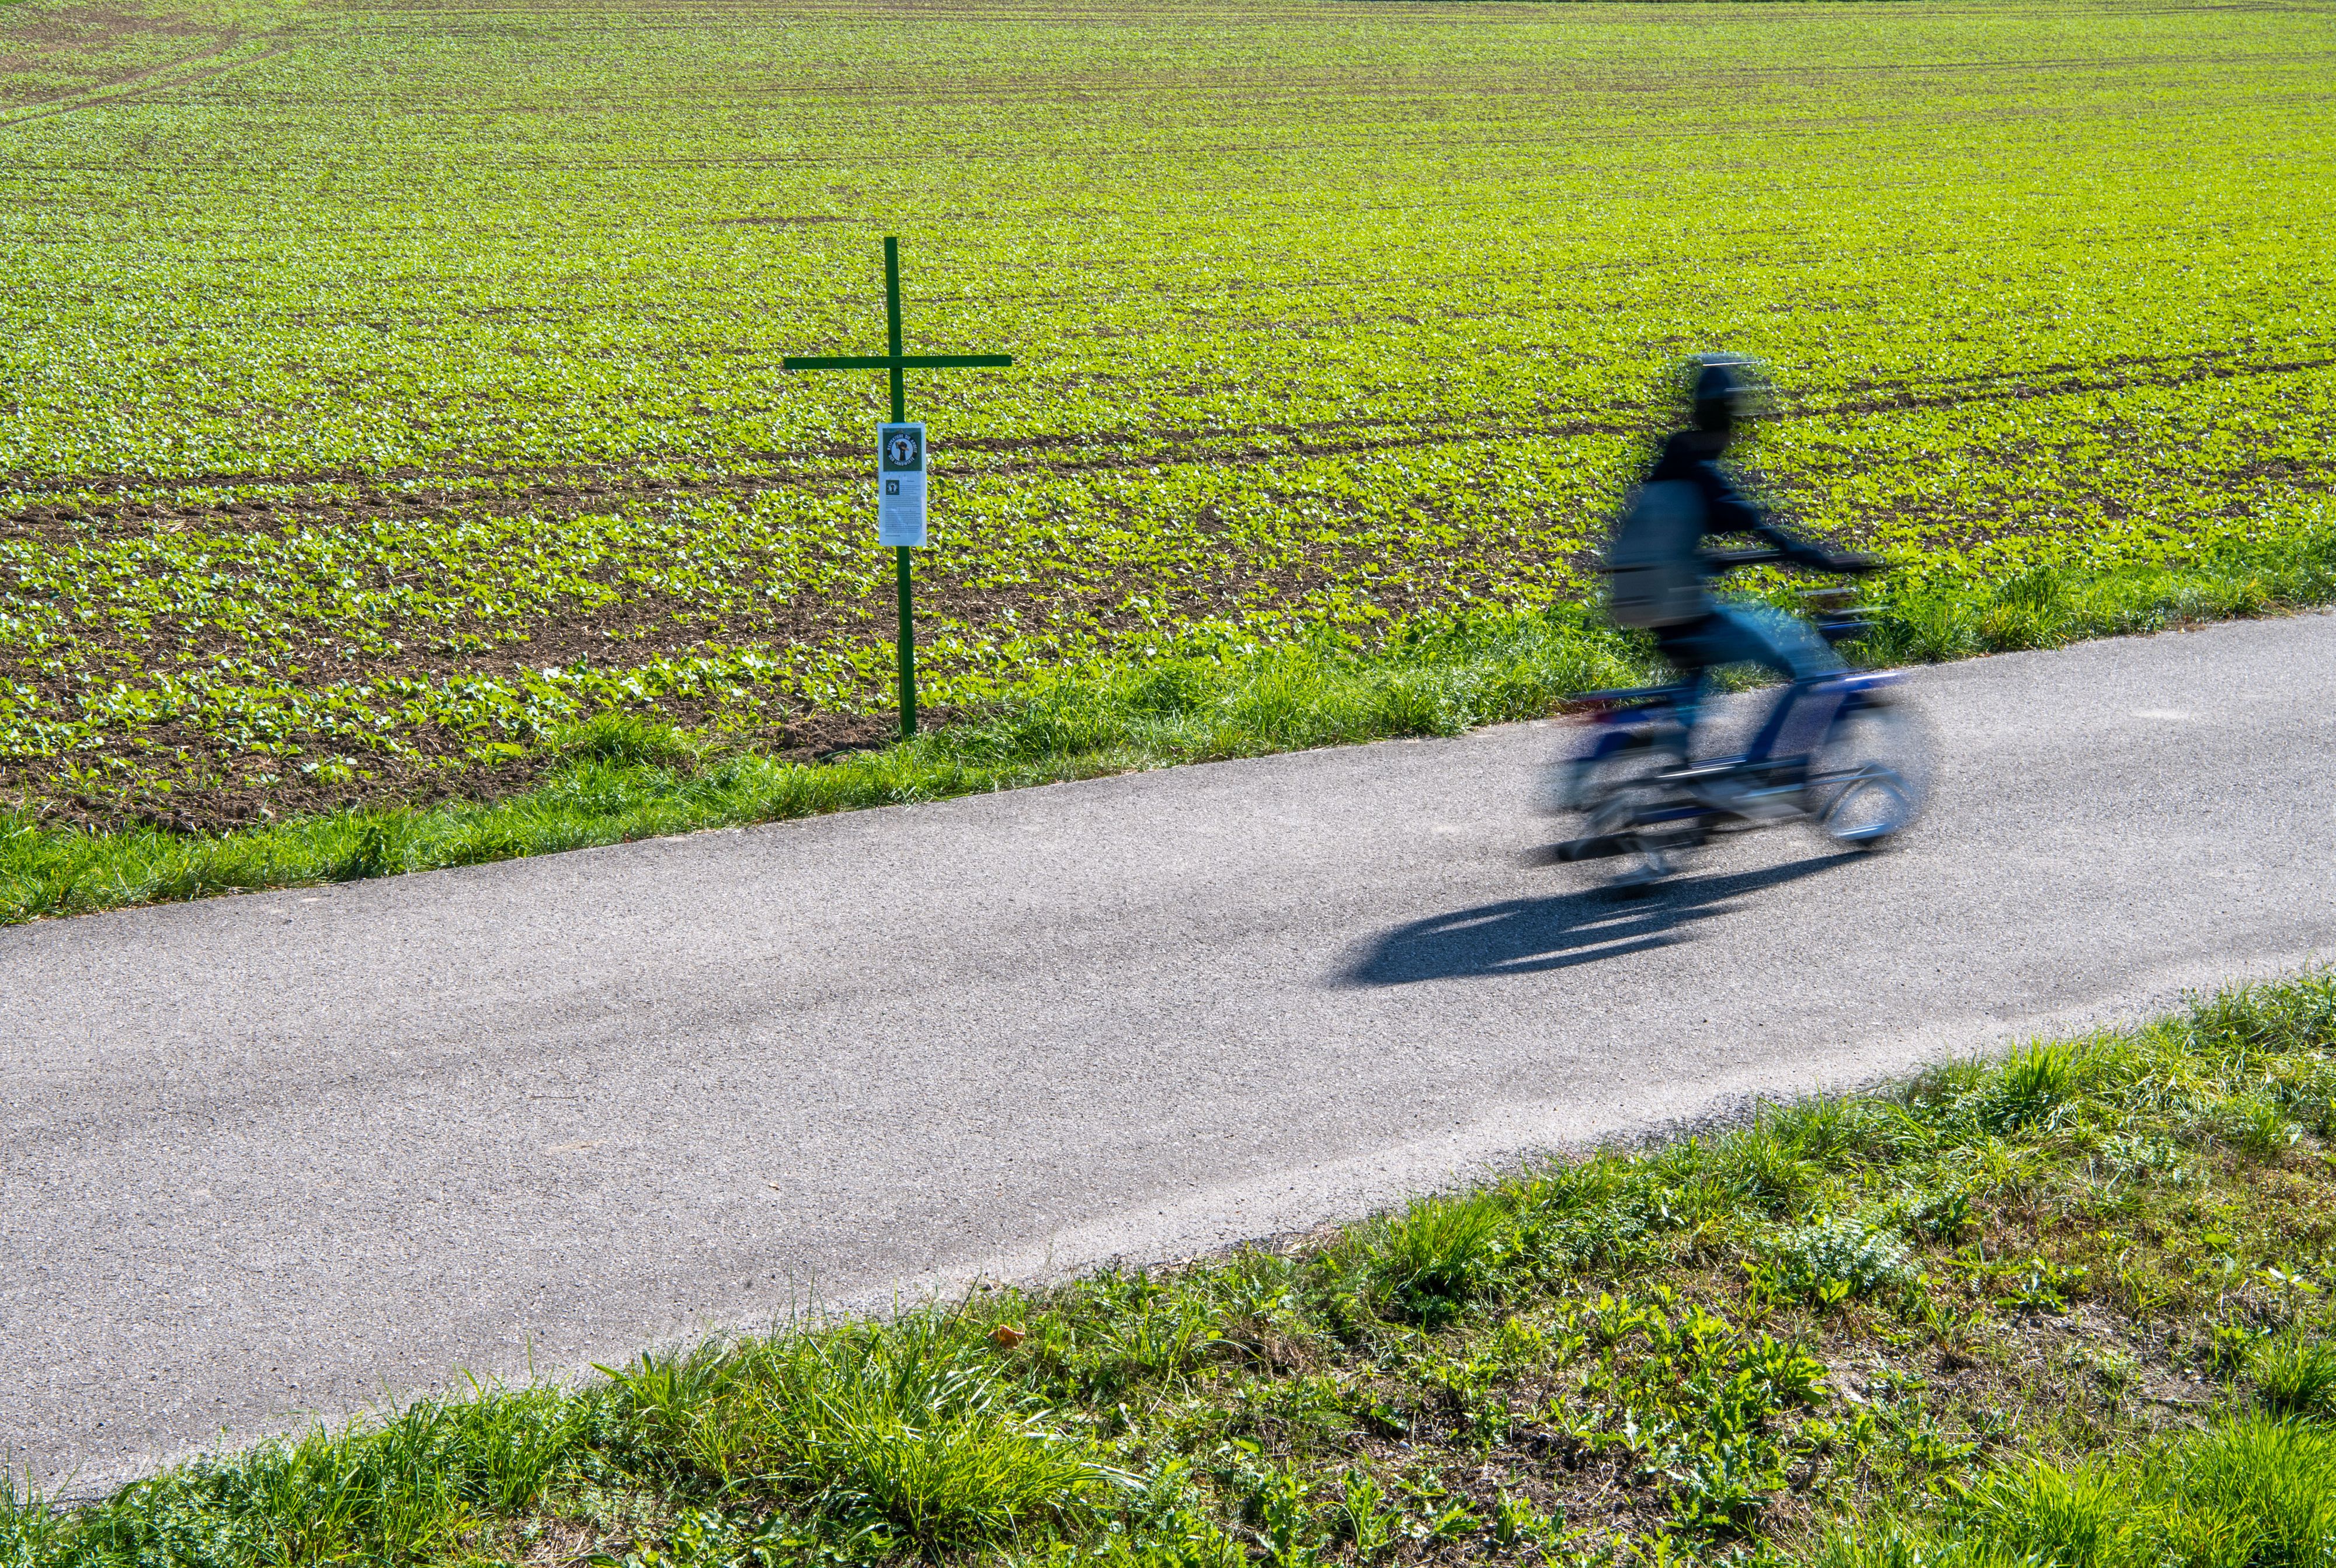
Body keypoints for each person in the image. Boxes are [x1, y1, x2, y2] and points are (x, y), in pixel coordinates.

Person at [1625, 355, 1877, 812]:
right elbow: (1768, 533)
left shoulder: (1668, 463)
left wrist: (1706, 560)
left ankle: (1694, 791)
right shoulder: (1704, 472)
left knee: (1697, 687)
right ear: (1729, 415)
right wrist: (1830, 563)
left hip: (1652, 611)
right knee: (1809, 662)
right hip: (1692, 617)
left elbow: (1665, 537)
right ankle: (1769, 770)